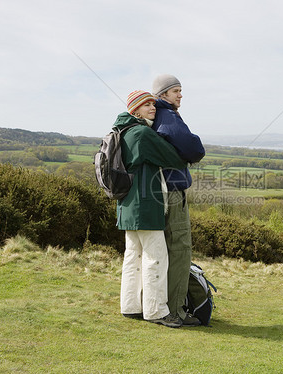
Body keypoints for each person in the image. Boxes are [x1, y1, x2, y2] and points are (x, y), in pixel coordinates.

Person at [116, 90, 188, 328]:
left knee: (132, 257)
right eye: (146, 105)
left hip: (126, 206)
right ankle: (156, 311)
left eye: (152, 103)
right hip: (145, 205)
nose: (152, 107)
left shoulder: (121, 131)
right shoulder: (142, 133)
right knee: (155, 258)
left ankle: (130, 306)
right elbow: (174, 159)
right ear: (134, 110)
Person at [151, 74, 205, 326]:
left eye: (180, 91)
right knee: (180, 249)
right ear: (162, 95)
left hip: (157, 191)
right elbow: (194, 148)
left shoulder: (154, 116)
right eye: (175, 91)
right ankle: (175, 310)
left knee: (162, 251)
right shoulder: (168, 116)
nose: (180, 95)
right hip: (173, 191)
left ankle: (160, 305)